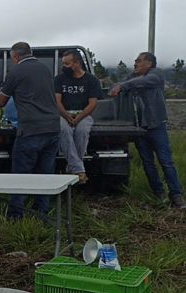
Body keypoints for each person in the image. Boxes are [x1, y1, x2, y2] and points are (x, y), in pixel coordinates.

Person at [0, 42, 60, 219]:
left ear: (15, 57)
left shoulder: (16, 72)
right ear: (31, 53)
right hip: (52, 128)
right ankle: (41, 213)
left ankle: (16, 215)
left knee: (21, 175)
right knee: (45, 174)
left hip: (30, 130)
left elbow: (2, 101)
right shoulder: (45, 70)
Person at [109, 52, 185, 209]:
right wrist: (119, 86)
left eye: (138, 61)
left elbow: (142, 82)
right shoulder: (133, 77)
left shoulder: (156, 74)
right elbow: (119, 86)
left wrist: (123, 86)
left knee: (166, 161)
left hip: (156, 125)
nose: (135, 63)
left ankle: (176, 195)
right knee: (147, 162)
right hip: (139, 128)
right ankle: (159, 193)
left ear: (149, 63)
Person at [55, 49, 101, 184]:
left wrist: (79, 117)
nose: (64, 67)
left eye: (67, 64)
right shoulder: (59, 79)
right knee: (63, 129)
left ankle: (72, 167)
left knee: (82, 131)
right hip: (63, 113)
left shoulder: (91, 80)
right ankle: (79, 170)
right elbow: (57, 101)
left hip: (84, 114)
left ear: (77, 63)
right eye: (63, 63)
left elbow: (92, 104)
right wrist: (66, 115)